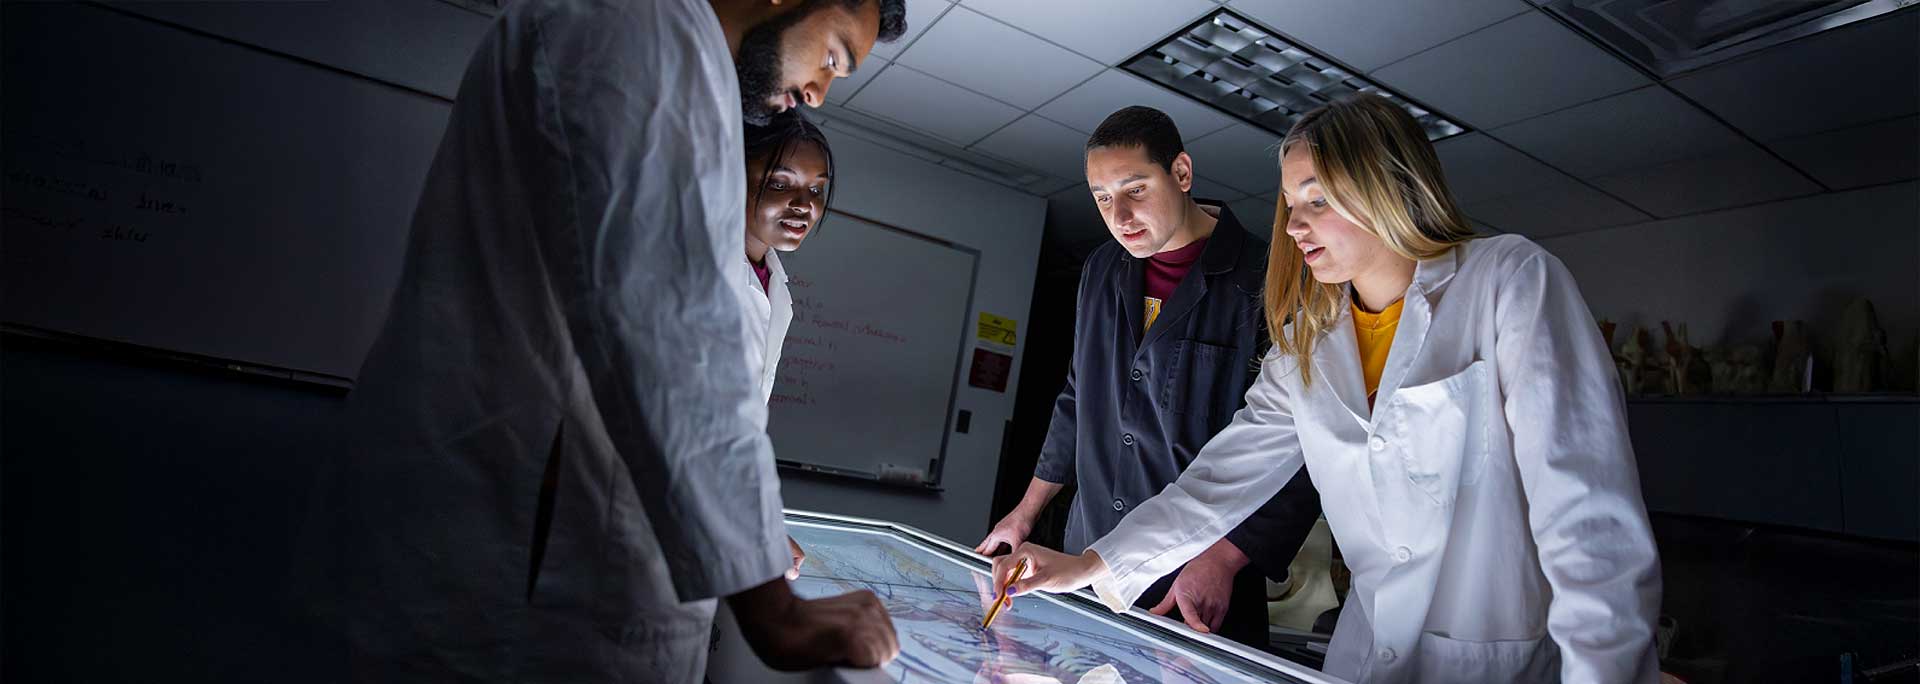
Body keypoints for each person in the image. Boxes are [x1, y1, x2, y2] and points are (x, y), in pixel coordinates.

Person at [295, 0, 907, 680]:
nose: (819, 91)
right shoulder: (644, 23)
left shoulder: (666, 43)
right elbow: (671, 326)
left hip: (535, 553)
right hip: (511, 575)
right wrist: (774, 607)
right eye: (832, 57)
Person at [991, 93, 1663, 683]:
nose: (1292, 225)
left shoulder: (1509, 282)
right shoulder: (1310, 336)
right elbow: (1218, 479)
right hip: (1364, 654)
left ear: (1388, 186)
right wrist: (1088, 565)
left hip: (1497, 659)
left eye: (1317, 197)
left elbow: (1587, 518)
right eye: (1289, 203)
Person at [975, 106, 1321, 649]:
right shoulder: (1100, 269)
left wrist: (1222, 559)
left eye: (1135, 189)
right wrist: (1025, 512)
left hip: (1197, 575)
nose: (1120, 215)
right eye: (1103, 197)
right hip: (1086, 558)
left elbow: (1301, 447)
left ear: (1181, 173)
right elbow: (1076, 399)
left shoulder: (1272, 276)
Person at [737, 110, 836, 578]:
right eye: (780, 183)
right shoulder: (691, 271)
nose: (804, 204)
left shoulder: (775, 286)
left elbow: (741, 430)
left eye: (816, 190)